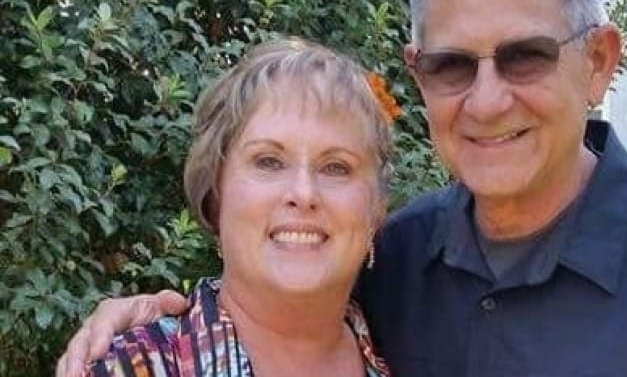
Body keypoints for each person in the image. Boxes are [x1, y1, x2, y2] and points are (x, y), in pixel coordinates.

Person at [58, 0, 627, 377]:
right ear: (418, 75)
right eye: (451, 64)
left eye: (524, 56)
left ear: (598, 62)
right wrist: (140, 326)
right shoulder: (393, 262)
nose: (486, 99)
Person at [60, 38, 393, 376]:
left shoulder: (410, 352)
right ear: (216, 193)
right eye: (269, 162)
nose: (303, 192)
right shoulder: (133, 367)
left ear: (376, 207)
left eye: (336, 167)